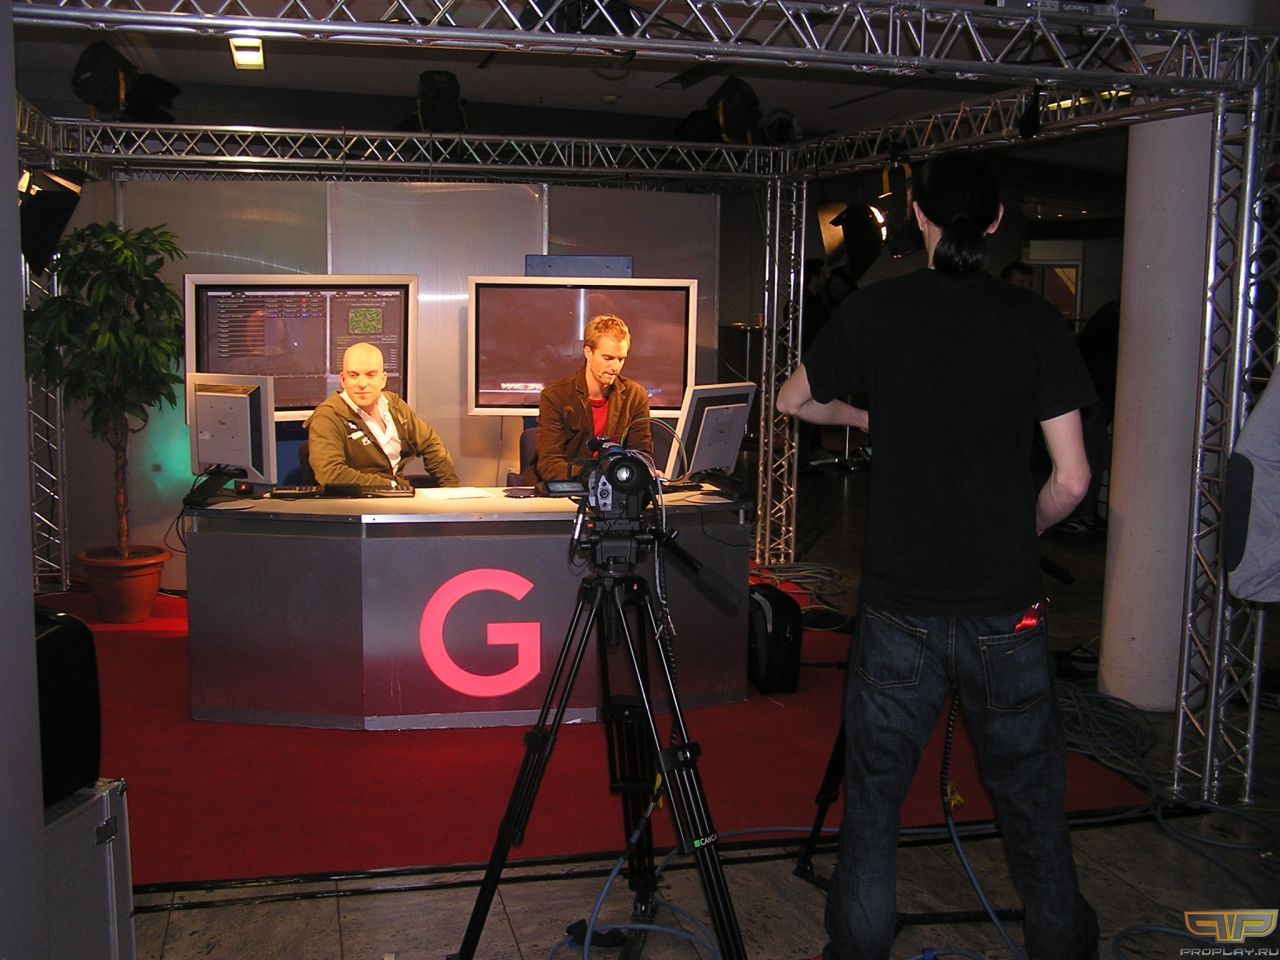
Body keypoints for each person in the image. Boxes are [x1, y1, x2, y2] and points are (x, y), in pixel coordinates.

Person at [778, 153, 1099, 960]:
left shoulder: (877, 310)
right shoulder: (1034, 321)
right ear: (995, 222)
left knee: (874, 808)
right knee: (1032, 806)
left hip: (899, 611)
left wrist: (868, 417)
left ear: (916, 216)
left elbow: (793, 399)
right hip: (1006, 609)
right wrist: (1020, 530)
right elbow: (1072, 481)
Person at [519, 314, 653, 486]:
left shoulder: (635, 396)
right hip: (566, 489)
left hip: (617, 489)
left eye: (621, 359)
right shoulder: (555, 396)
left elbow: (641, 455)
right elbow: (549, 464)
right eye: (608, 358)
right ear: (588, 353)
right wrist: (595, 477)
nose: (615, 367)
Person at [306, 341, 459, 489]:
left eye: (370, 375)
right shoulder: (327, 417)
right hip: (357, 501)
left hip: (398, 497)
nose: (362, 383)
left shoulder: (394, 405)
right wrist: (391, 487)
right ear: (343, 380)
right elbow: (330, 473)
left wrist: (451, 488)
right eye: (353, 375)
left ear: (383, 379)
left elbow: (430, 444)